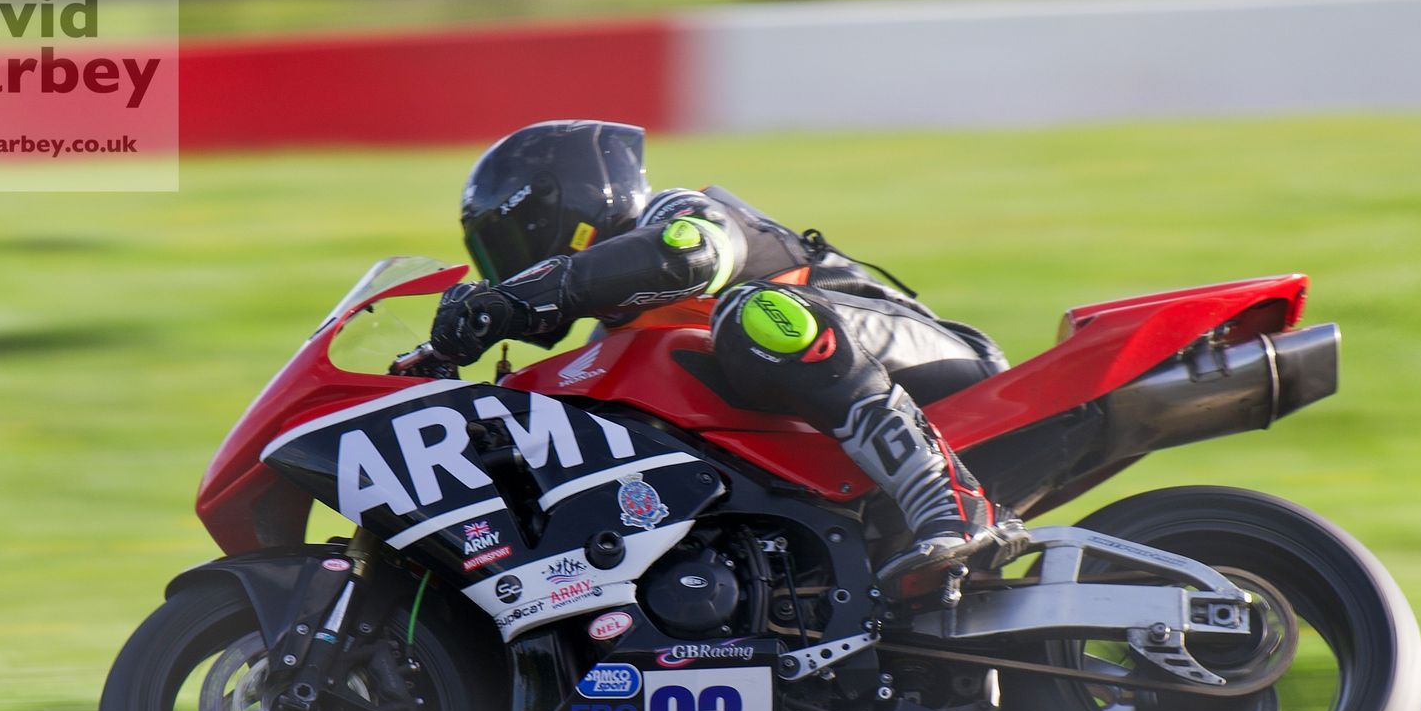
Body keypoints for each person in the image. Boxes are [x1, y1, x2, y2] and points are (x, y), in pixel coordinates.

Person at [423, 118, 1017, 586]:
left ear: (565, 203)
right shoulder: (608, 343)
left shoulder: (678, 214)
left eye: (511, 242)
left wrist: (517, 298)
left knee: (755, 313)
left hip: (935, 366)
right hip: (836, 447)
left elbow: (689, 255)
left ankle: (950, 499)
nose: (508, 267)